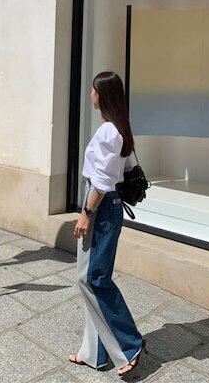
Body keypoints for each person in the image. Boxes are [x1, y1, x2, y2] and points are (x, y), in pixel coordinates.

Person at [69, 72, 145, 377]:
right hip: (104, 204)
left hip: (100, 206)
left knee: (94, 278)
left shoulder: (110, 131)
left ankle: (130, 345)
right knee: (89, 278)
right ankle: (95, 353)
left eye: (93, 89)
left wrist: (86, 213)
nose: (90, 93)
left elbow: (102, 181)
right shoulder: (117, 128)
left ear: (101, 94)